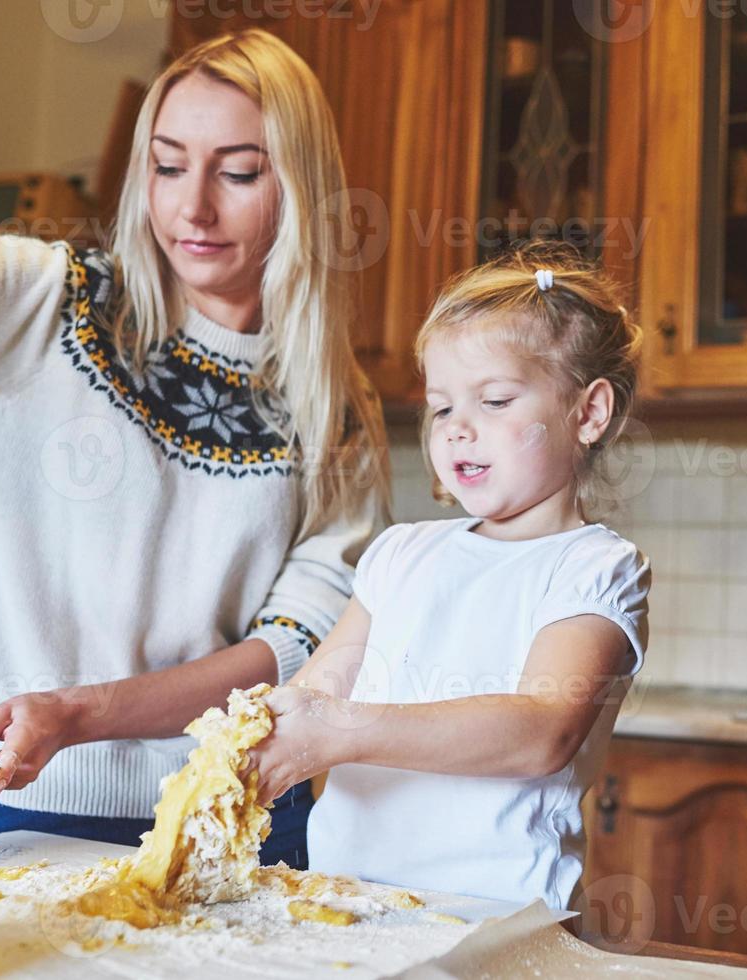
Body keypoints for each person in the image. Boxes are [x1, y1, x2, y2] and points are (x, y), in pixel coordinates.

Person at [0, 29, 388, 867]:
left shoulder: (336, 408)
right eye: (165, 166)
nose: (191, 208)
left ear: (301, 188)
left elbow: (294, 648)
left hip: (244, 830)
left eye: (237, 172)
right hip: (32, 817)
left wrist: (84, 712)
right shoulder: (47, 307)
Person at [246, 240, 651, 910]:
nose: (458, 429)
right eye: (441, 407)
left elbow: (541, 731)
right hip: (346, 901)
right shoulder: (399, 554)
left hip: (496, 920)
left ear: (588, 412)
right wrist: (264, 727)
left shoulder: (595, 567)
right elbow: (318, 689)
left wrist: (340, 729)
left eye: (493, 401)